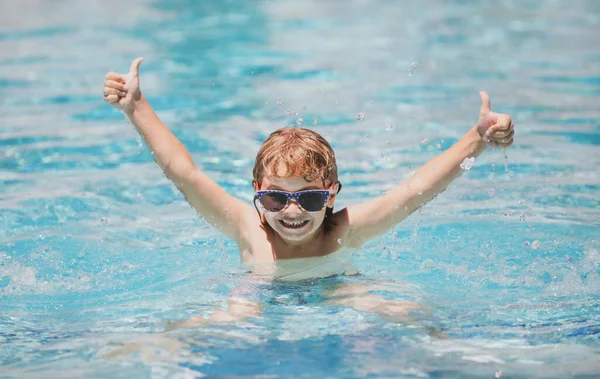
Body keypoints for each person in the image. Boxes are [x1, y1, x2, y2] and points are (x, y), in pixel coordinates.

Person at [102, 57, 513, 330]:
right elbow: (185, 174)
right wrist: (136, 106)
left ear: (331, 195)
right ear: (257, 194)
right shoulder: (249, 229)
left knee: (406, 313)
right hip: (256, 293)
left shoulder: (343, 230)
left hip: (337, 289)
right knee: (215, 322)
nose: (293, 211)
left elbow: (415, 190)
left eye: (311, 198)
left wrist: (478, 138)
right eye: (277, 198)